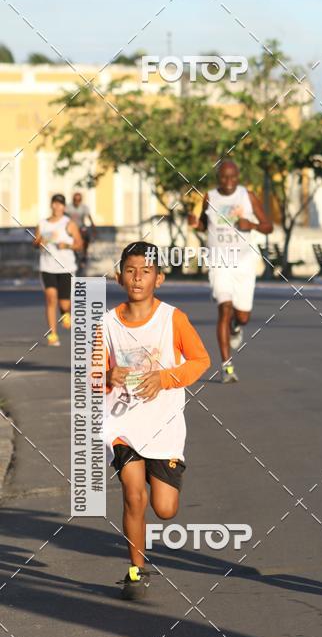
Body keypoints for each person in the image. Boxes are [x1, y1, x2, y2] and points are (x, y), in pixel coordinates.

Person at [103, 241, 210, 600]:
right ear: (119, 276)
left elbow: (199, 361)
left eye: (145, 272)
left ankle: (163, 470)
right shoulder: (107, 324)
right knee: (134, 495)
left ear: (159, 278)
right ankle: (136, 568)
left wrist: (163, 378)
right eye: (130, 271)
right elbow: (88, 374)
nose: (137, 278)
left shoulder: (172, 319)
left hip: (164, 424)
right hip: (123, 423)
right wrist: (107, 376)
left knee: (164, 508)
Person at [189, 161, 273, 382]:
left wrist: (251, 225)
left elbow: (268, 226)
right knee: (224, 309)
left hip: (244, 263)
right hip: (218, 262)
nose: (228, 182)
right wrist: (195, 223)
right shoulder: (210, 197)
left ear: (238, 176)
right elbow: (204, 225)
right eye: (224, 178)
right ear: (218, 178)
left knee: (243, 316)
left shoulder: (248, 196)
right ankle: (227, 367)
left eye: (232, 178)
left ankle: (237, 327)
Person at [33, 193, 83, 346]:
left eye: (60, 204)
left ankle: (66, 313)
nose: (57, 206)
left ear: (64, 206)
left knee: (64, 304)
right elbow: (35, 244)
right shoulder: (42, 224)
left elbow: (79, 244)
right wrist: (40, 240)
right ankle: (53, 335)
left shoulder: (69, 224)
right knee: (50, 299)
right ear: (51, 205)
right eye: (55, 203)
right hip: (47, 267)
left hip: (65, 268)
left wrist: (66, 245)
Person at [66, 191, 96, 273]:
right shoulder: (68, 207)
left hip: (81, 227)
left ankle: (84, 253)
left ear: (81, 200)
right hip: (71, 227)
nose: (77, 202)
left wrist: (93, 228)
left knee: (86, 234)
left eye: (78, 200)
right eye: (75, 200)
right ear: (73, 200)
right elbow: (64, 216)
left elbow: (89, 217)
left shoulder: (84, 207)